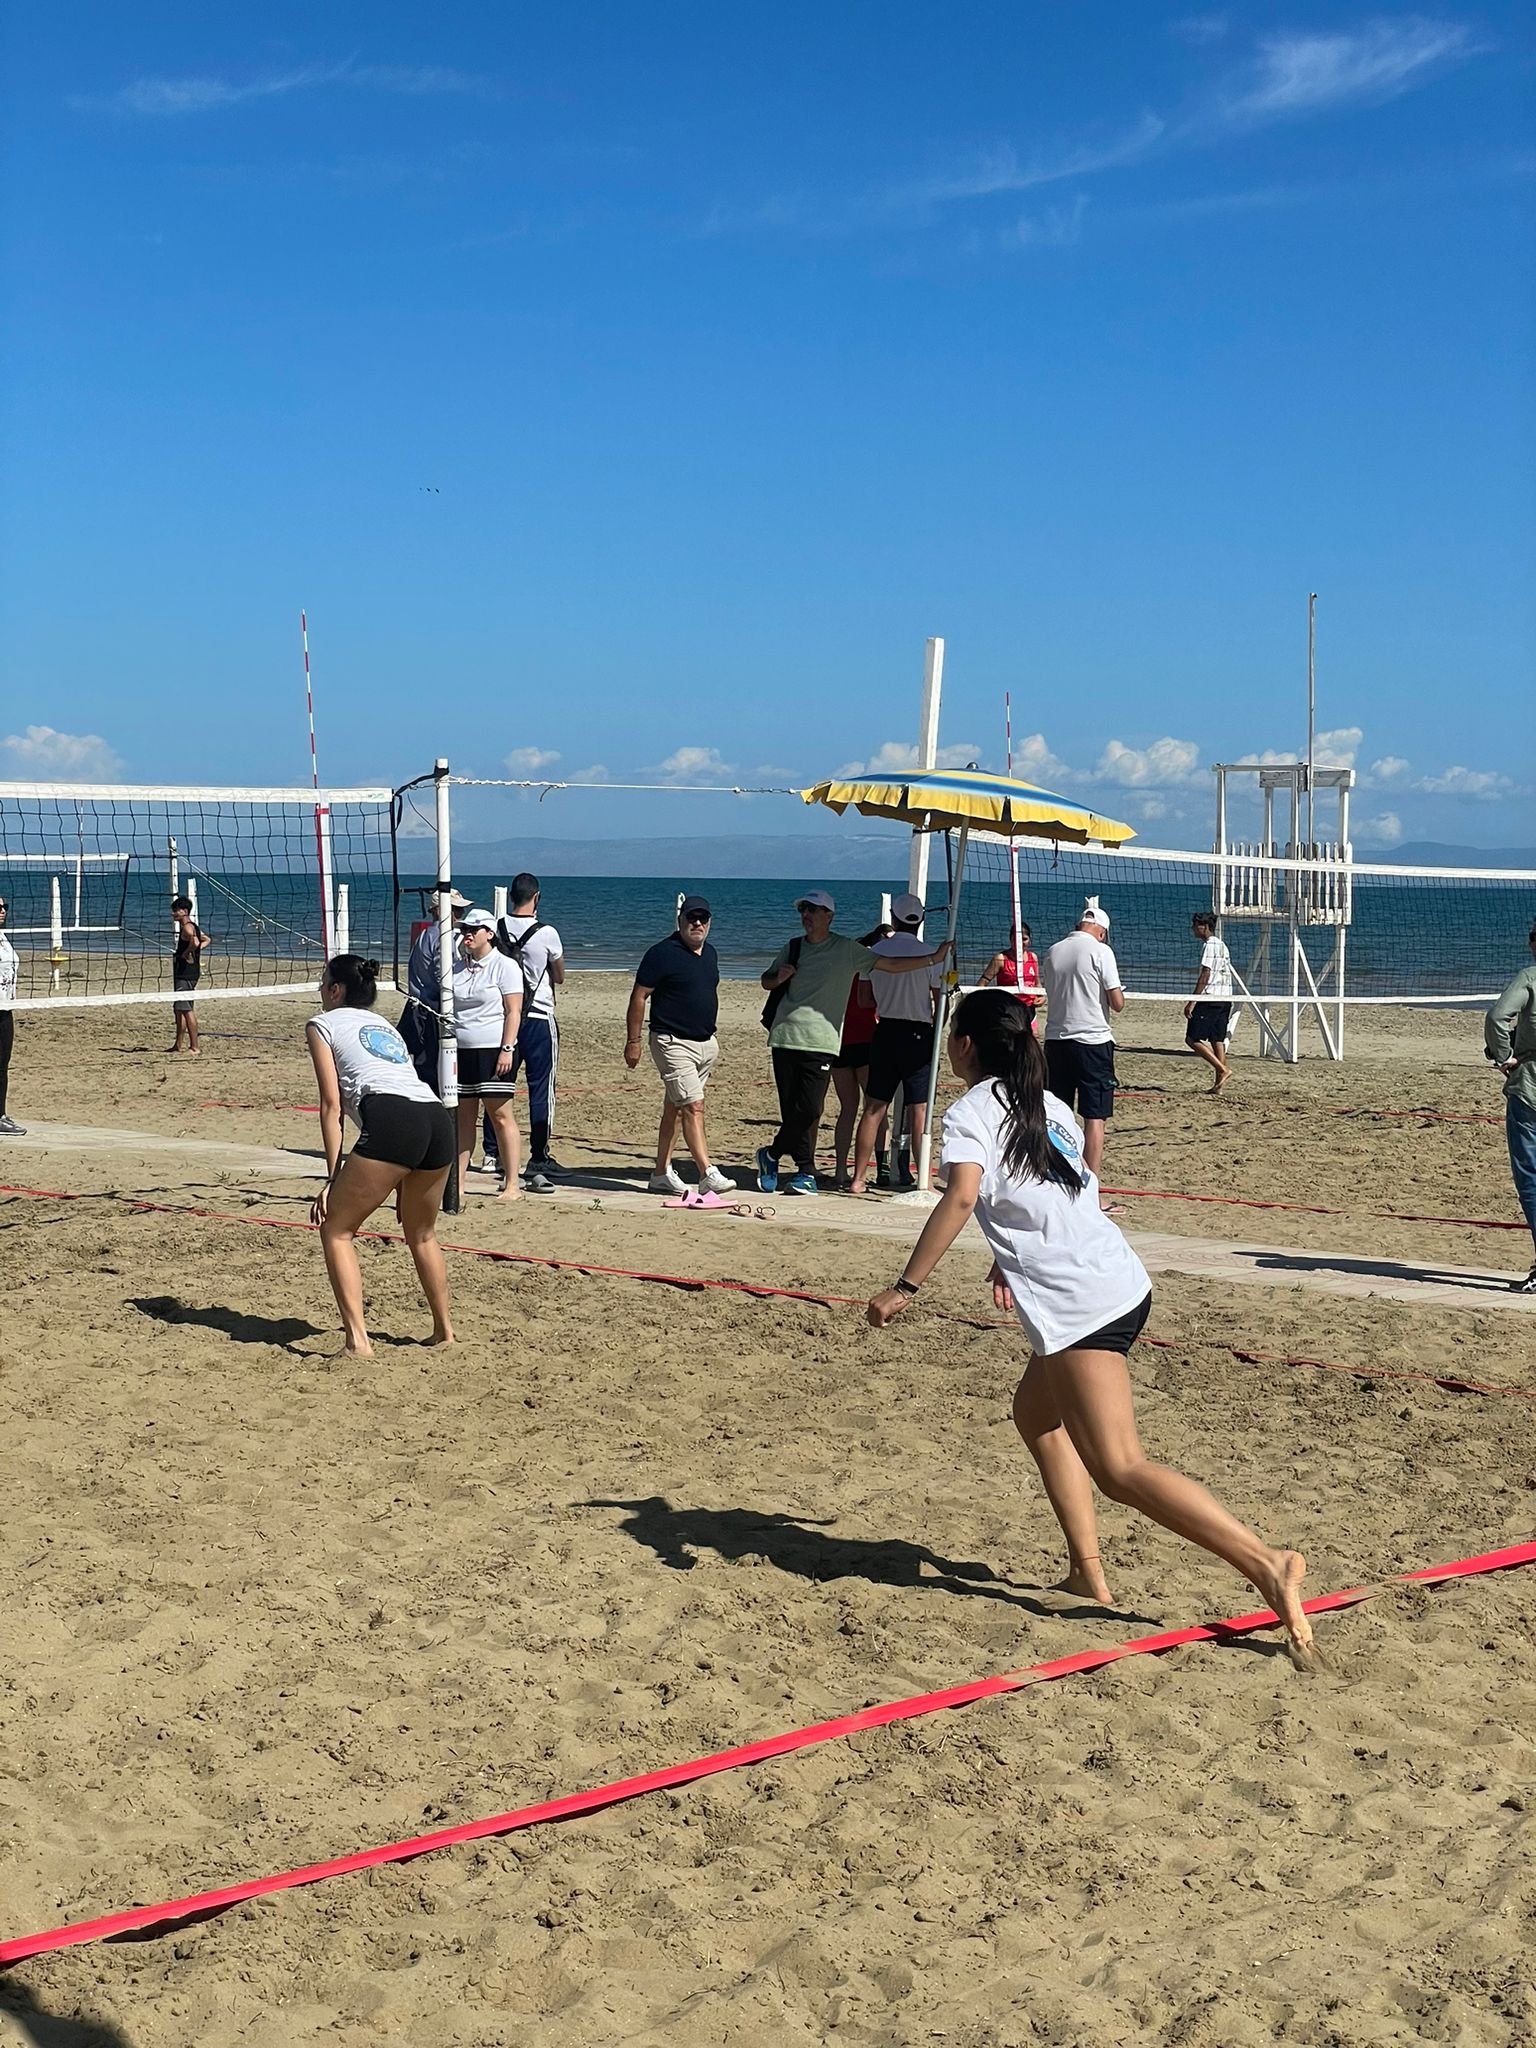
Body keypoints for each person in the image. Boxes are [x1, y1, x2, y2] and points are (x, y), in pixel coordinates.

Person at [865, 988, 1315, 1657]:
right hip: (1116, 1279)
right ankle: (1086, 1573)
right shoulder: (1046, 1103)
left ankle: (1266, 1563)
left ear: (964, 1045)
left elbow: (960, 1197)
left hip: (1083, 1303)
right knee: (1036, 1416)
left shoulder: (970, 1112)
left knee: (1119, 1467)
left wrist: (905, 1287)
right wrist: (1005, 1259)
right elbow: (1064, 1191)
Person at [307, 952, 456, 1355]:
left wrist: (332, 1178)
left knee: (336, 1229)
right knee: (422, 1234)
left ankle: (358, 1341)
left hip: (394, 1119)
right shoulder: (383, 1025)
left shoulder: (322, 1024)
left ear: (336, 990)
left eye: (323, 982)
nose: (320, 989)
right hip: (436, 1119)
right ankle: (444, 1331)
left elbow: (331, 1107)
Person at [757, 890, 947, 1196]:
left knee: (834, 1109)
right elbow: (766, 980)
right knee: (912, 1109)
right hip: (794, 1035)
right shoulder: (796, 947)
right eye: (804, 910)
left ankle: (803, 1163)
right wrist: (778, 977)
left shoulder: (854, 949)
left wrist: (928, 963)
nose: (806, 915)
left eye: (813, 910)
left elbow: (877, 981)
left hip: (849, 1036)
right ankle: (808, 1170)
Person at [625, 895, 735, 1197]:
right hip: (671, 1042)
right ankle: (707, 1172)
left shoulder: (710, 954)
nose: (697, 923)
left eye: (703, 918)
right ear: (680, 920)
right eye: (691, 918)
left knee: (675, 1108)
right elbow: (639, 996)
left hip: (705, 1045)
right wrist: (633, 1041)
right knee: (693, 1105)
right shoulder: (661, 953)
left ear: (710, 922)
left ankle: (661, 1173)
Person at [849, 894, 944, 1195]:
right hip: (917, 1032)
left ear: (893, 917)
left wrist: (888, 996)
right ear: (921, 919)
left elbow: (864, 1000)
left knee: (874, 1107)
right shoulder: (931, 955)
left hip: (886, 1029)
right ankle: (924, 1180)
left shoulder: (874, 953)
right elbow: (939, 1002)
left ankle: (858, 1179)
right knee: (919, 1110)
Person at [450, 909, 541, 1198]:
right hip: (461, 1050)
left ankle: (512, 1183)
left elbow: (513, 1011)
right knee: (464, 1119)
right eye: (464, 929)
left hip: (493, 1049)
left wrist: (507, 1048)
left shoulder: (505, 966)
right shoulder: (457, 968)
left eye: (473, 929)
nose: (467, 934)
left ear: (489, 934)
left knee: (500, 1115)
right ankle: (458, 1184)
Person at [1040, 896, 1124, 1200]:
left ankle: (1054, 1180)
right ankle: (1090, 1191)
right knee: (1094, 1117)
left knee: (1057, 1115)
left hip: (1056, 1041)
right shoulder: (1102, 951)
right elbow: (1117, 1003)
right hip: (1092, 1042)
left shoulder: (1052, 951)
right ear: (1101, 931)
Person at [492, 873, 566, 1184]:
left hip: (504, 1016)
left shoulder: (497, 928)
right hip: (537, 1015)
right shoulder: (546, 933)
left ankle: (492, 1152)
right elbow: (559, 975)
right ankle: (539, 1154)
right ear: (536, 898)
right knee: (541, 1088)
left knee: (498, 1086)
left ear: (512, 896)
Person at [1486, 920, 1536, 1293]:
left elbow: (1496, 1017)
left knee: (1531, 1177)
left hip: (1530, 1087)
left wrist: (1504, 1056)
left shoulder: (1529, 977)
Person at [400, 887, 470, 1088]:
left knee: (426, 1065)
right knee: (435, 1066)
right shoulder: (442, 937)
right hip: (433, 1010)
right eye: (456, 910)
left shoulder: (426, 934)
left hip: (419, 1007)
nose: (460, 915)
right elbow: (444, 979)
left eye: (460, 910)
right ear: (440, 911)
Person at [830, 935, 884, 1190]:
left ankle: (841, 1170)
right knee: (874, 1109)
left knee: (848, 1109)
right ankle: (878, 1168)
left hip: (840, 1041)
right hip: (864, 1041)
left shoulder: (841, 971)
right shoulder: (869, 972)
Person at [1184, 911, 1235, 1094]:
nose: (1192, 928)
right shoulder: (1222, 945)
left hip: (1211, 998)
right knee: (1217, 1039)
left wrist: (1193, 1001)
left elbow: (1206, 974)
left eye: (1195, 925)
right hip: (1225, 997)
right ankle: (1219, 1086)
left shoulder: (1210, 945)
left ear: (1204, 927)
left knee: (1191, 1039)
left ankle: (1222, 1069)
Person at [169, 895, 211, 1054]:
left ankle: (195, 1047)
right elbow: (206, 940)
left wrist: (187, 953)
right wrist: (195, 951)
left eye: (176, 911)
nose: (173, 913)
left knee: (186, 1010)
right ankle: (178, 1045)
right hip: (188, 972)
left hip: (186, 973)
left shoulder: (187, 927)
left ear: (184, 911)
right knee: (179, 1009)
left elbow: (196, 942)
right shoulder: (193, 927)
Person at [981, 921, 1042, 1020]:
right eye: (1016, 939)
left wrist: (1041, 997)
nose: (1020, 943)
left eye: (1024, 939)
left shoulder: (1033, 957)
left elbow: (1037, 984)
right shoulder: (1001, 959)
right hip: (1007, 1010)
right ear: (1010, 940)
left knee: (1032, 1030)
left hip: (1029, 1010)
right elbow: (982, 984)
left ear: (1030, 940)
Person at [0, 891, 21, 1136]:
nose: (3, 910)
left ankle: (1, 1114)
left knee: (2, 1064)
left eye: (5, 906)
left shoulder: (3, 937)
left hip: (5, 1009)